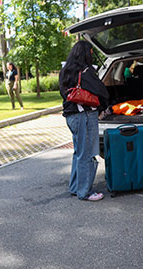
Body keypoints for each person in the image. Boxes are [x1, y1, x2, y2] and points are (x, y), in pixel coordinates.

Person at [59, 40, 109, 201]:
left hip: (71, 116)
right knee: (87, 154)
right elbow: (102, 92)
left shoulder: (65, 71)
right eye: (91, 53)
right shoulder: (86, 72)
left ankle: (75, 187)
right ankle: (84, 192)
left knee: (78, 153)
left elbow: (64, 93)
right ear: (86, 54)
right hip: (84, 116)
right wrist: (104, 106)